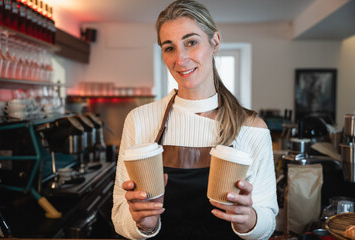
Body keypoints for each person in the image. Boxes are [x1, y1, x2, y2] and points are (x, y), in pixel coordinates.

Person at [111, 0, 278, 239]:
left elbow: (268, 221)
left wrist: (248, 221)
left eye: (191, 42)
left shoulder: (251, 128)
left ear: (215, 42)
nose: (181, 59)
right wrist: (143, 224)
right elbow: (119, 215)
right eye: (169, 48)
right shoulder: (139, 120)